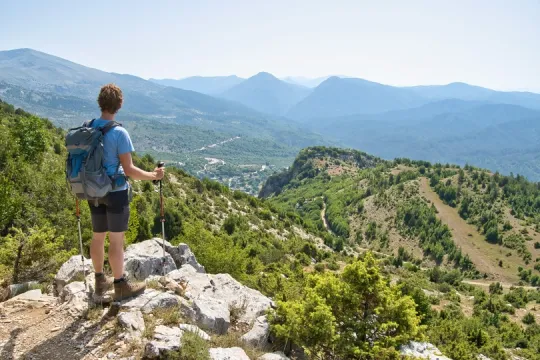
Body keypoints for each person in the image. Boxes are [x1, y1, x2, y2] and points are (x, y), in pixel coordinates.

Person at [90, 83, 165, 301]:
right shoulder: (119, 132)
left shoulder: (90, 127)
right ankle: (120, 285)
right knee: (116, 241)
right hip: (115, 192)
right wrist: (154, 175)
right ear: (119, 105)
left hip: (93, 191)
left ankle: (99, 280)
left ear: (100, 102)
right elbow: (130, 170)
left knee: (97, 237)